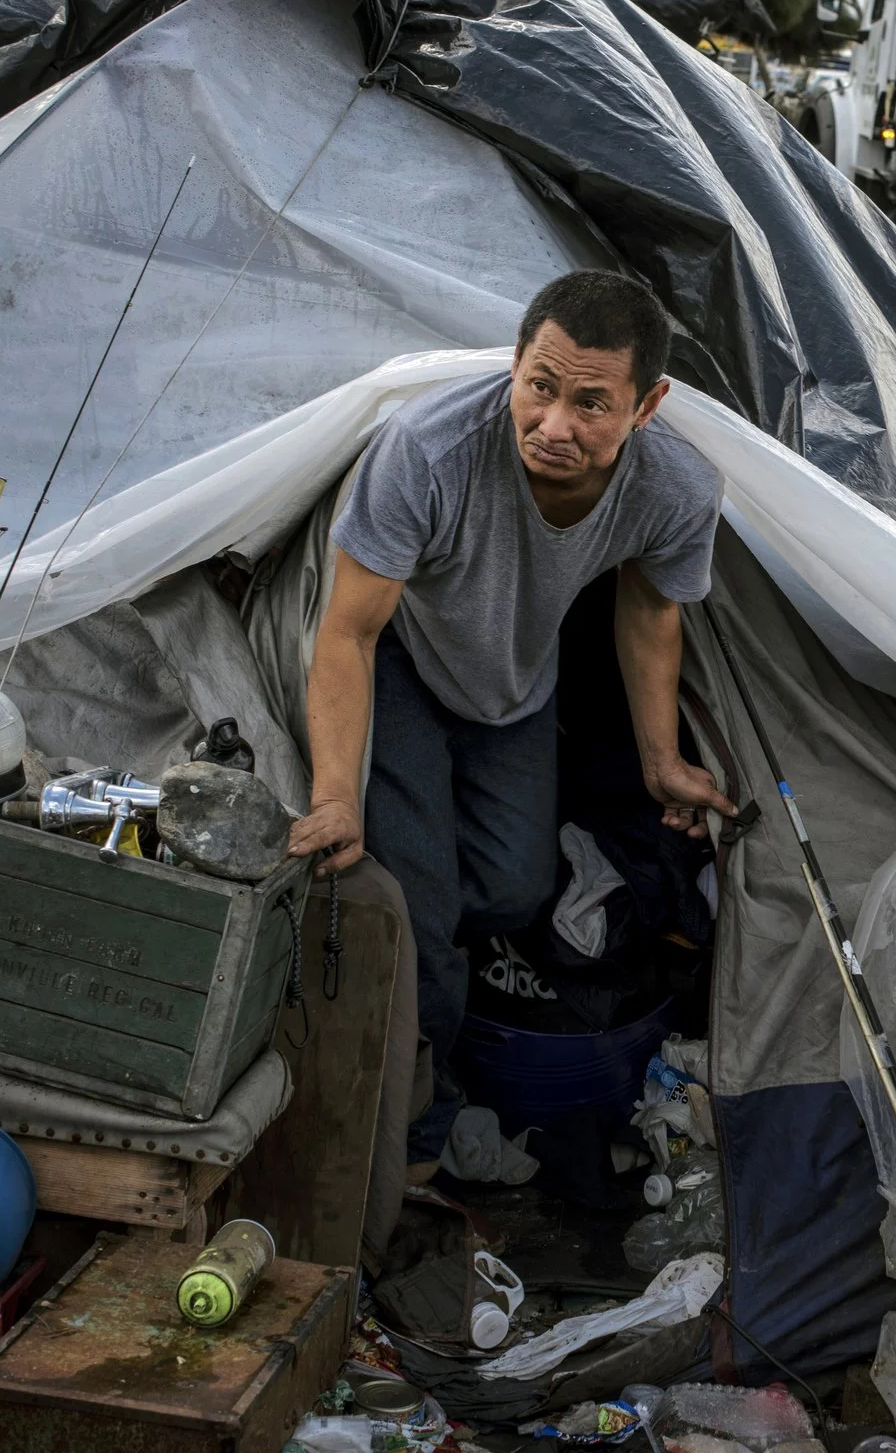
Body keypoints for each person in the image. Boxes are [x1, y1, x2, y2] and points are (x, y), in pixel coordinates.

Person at [288, 270, 735, 1186]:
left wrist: (661, 762)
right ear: (515, 365)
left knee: (514, 887)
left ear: (646, 407)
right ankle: (416, 1142)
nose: (556, 424)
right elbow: (347, 631)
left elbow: (651, 611)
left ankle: (446, 997)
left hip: (516, 684)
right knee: (422, 919)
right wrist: (336, 797)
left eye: (591, 403)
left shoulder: (675, 489)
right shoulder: (427, 451)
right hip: (402, 665)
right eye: (540, 386)